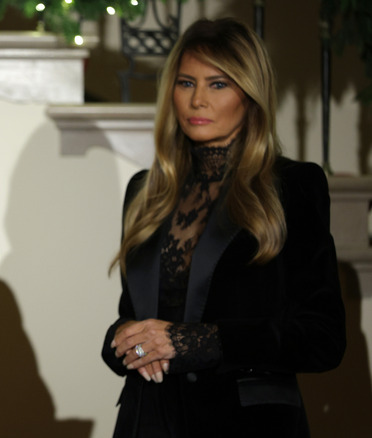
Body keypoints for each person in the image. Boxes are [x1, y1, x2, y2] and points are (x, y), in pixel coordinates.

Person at [101, 17, 346, 437]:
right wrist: (125, 338)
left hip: (246, 424)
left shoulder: (292, 187)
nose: (198, 101)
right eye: (185, 83)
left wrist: (196, 342)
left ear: (249, 95)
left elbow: (322, 337)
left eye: (218, 84)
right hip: (147, 420)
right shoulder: (144, 192)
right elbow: (134, 320)